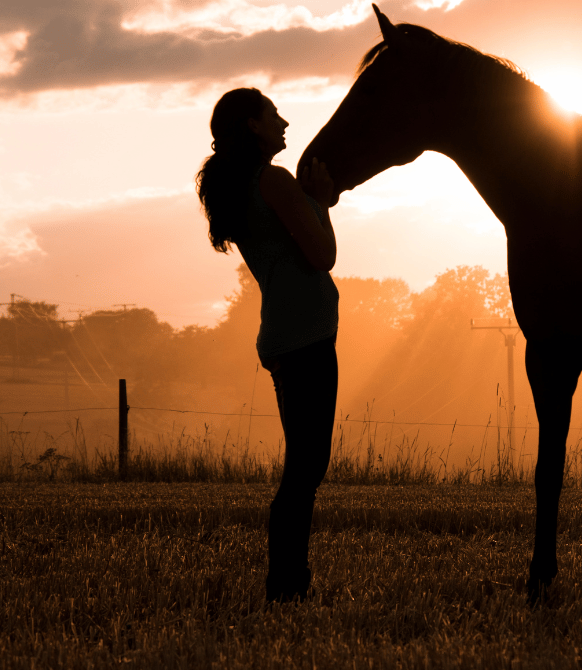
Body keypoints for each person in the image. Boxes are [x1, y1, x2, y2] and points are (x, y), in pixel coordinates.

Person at [196, 87, 339, 603]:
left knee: (305, 464)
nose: (283, 121)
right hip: (305, 339)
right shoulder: (274, 181)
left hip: (287, 335)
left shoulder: (250, 184)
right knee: (306, 467)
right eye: (273, 114)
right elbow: (322, 255)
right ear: (253, 126)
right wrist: (321, 202)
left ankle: (289, 581)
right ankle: (286, 584)